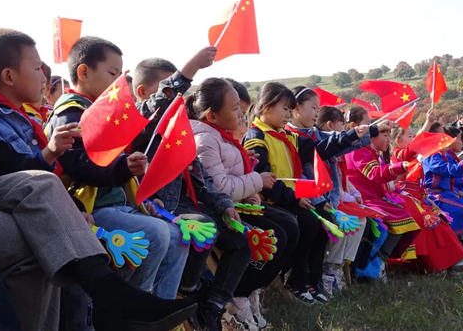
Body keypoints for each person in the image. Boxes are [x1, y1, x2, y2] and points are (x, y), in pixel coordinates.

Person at [0, 28, 196, 331]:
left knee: (39, 261)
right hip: (21, 208)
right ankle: (118, 299)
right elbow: (22, 175)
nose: (44, 76)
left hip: (48, 209)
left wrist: (73, 208)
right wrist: (51, 158)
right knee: (154, 234)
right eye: (37, 68)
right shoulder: (2, 118)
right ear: (8, 76)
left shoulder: (25, 120)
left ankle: (131, 305)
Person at [45, 36, 189, 300]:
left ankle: (160, 303)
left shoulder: (103, 112)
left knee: (179, 235)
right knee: (155, 234)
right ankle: (131, 305)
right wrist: (124, 166)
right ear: (84, 72)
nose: (119, 83)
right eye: (113, 73)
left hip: (120, 205)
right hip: (89, 210)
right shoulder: (71, 112)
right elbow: (79, 165)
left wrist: (141, 194)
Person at [133, 54, 251, 331]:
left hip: (186, 206)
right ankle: (190, 289)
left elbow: (201, 178)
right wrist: (191, 69)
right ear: (144, 93)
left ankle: (213, 305)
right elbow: (161, 102)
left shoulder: (179, 132)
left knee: (241, 237)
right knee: (203, 226)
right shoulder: (140, 131)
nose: (175, 100)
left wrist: (224, 204)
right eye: (167, 91)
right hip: (158, 209)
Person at [185, 77, 299, 330]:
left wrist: (248, 176)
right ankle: (236, 296)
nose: (242, 115)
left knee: (290, 224)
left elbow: (226, 176)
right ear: (212, 115)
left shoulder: (219, 136)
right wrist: (256, 180)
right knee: (275, 235)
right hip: (218, 209)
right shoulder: (205, 139)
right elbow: (218, 187)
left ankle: (248, 291)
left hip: (236, 203)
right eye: (236, 108)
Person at [243, 82, 366, 304]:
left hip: (288, 199)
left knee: (323, 219)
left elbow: (319, 149)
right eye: (285, 109)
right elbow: (263, 179)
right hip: (268, 201)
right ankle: (295, 280)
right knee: (307, 222)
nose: (288, 114)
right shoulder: (256, 137)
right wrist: (294, 198)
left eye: (290, 110)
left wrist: (351, 136)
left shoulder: (285, 136)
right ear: (266, 106)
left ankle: (313, 279)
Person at [390, 118, 463, 273]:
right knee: (434, 222)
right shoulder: (400, 155)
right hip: (409, 197)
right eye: (410, 136)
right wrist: (427, 122)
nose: (444, 138)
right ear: (398, 141)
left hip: (420, 197)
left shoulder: (425, 156)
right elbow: (449, 171)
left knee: (440, 221)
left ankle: (456, 258)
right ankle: (444, 263)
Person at [343, 106, 421, 281]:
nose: (387, 138)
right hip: (365, 199)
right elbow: (375, 174)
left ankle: (378, 263)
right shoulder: (358, 150)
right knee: (399, 219)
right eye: (368, 124)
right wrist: (399, 167)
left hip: (376, 198)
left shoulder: (370, 150)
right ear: (354, 126)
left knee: (407, 216)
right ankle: (370, 268)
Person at [314, 106, 368, 292]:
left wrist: (355, 193)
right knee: (347, 220)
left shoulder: (336, 146)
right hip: (327, 199)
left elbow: (343, 178)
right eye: (341, 124)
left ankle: (340, 264)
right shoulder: (324, 146)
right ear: (330, 125)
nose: (343, 128)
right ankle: (330, 265)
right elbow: (329, 180)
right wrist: (347, 195)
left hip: (340, 198)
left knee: (361, 219)